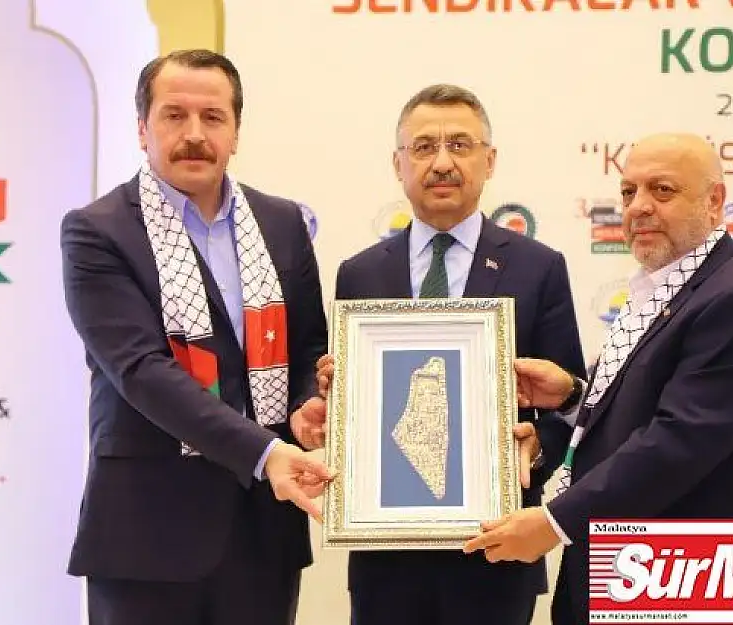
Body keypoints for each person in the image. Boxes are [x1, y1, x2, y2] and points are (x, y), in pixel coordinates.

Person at [462, 132, 733, 625]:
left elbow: (677, 443)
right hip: (638, 579)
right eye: (628, 192)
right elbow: (644, 409)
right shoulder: (668, 287)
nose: (639, 207)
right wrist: (573, 398)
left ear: (714, 201)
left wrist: (554, 522)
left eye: (662, 190)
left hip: (700, 587)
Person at [59, 49, 333, 625]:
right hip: (145, 537)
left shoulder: (282, 225)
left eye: (212, 117)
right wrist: (265, 452)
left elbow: (308, 346)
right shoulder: (97, 232)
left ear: (235, 132)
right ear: (142, 129)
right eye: (174, 115)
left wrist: (309, 402)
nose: (194, 135)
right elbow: (141, 371)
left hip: (264, 534)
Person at [315, 84, 587, 625]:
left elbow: (571, 402)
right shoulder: (360, 272)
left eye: (460, 145)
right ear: (398, 164)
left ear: (490, 160)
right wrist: (337, 397)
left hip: (497, 552)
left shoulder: (539, 267)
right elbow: (358, 410)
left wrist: (535, 451)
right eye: (423, 147)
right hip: (385, 558)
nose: (442, 163)